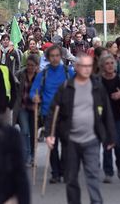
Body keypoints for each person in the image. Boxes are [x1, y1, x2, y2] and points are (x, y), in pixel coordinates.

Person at [45, 53, 116, 204]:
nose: (86, 69)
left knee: (92, 175)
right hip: (70, 141)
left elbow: (107, 113)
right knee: (71, 178)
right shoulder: (66, 87)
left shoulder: (97, 87)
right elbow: (53, 111)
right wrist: (49, 134)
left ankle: (96, 202)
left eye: (89, 66)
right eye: (83, 66)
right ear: (76, 67)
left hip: (92, 139)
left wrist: (110, 136)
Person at [30, 45, 75, 183]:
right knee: (52, 144)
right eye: (52, 56)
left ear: (61, 56)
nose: (55, 58)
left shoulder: (69, 72)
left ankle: (64, 170)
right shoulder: (43, 74)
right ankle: (55, 172)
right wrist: (35, 97)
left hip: (66, 112)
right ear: (48, 58)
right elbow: (34, 90)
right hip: (48, 113)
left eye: (57, 55)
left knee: (67, 144)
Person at [99, 54, 120, 183]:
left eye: (112, 63)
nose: (110, 66)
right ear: (102, 66)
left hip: (118, 116)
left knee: (118, 144)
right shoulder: (99, 81)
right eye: (107, 63)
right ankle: (108, 172)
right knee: (107, 144)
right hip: (103, 118)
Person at [14, 54, 40, 166]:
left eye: (32, 65)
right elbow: (14, 84)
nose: (30, 67)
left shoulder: (40, 76)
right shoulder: (20, 74)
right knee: (25, 131)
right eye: (28, 65)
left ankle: (33, 156)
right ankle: (27, 156)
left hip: (34, 108)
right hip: (22, 107)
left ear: (37, 66)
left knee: (33, 133)